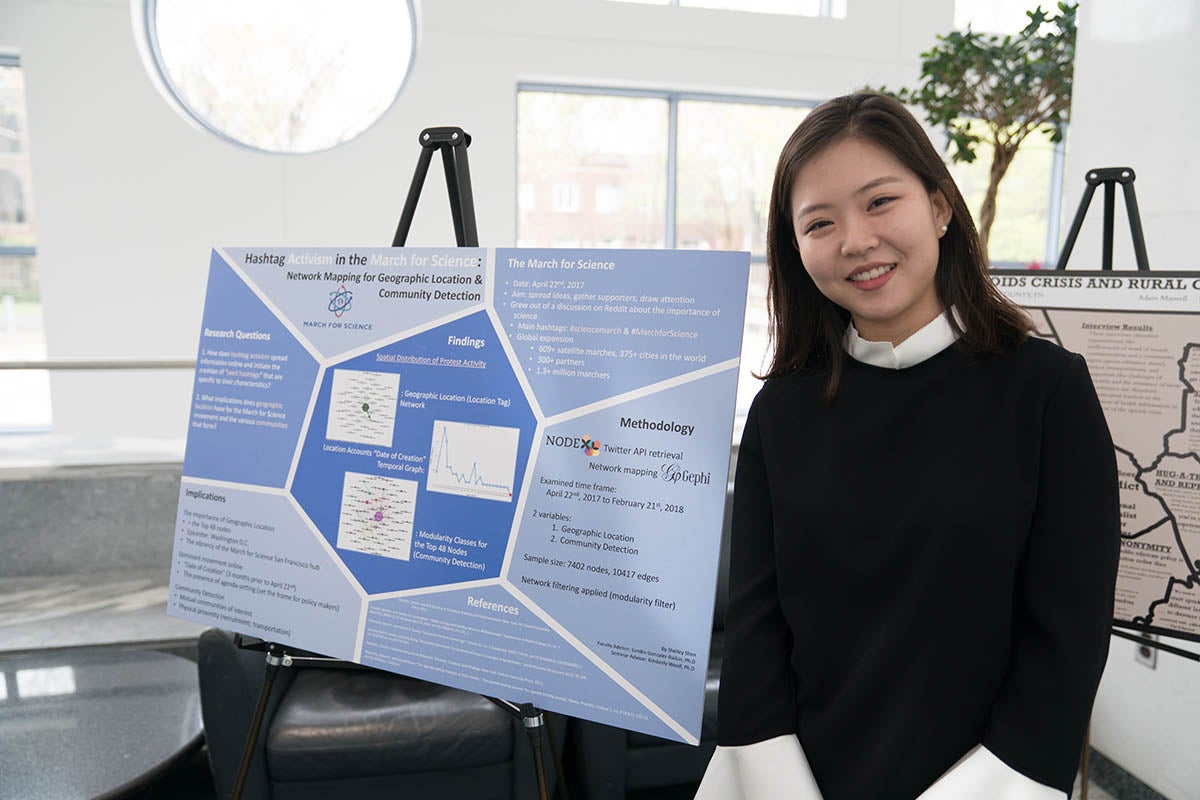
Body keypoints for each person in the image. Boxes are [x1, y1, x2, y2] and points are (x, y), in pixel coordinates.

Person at [694, 92, 1120, 800]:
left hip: (986, 780)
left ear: (942, 207)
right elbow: (757, 632)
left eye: (880, 202)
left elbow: (1069, 637)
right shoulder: (782, 410)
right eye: (820, 222)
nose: (855, 241)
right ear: (795, 250)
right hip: (800, 779)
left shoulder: (1046, 391)